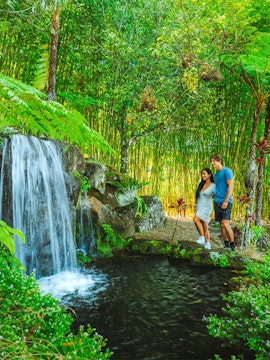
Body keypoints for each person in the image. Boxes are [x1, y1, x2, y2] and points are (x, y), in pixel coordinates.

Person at [210, 154, 235, 250]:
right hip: (217, 201)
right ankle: (226, 245)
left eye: (213, 161)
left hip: (225, 201)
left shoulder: (227, 171)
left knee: (225, 224)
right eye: (211, 161)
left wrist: (226, 201)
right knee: (221, 225)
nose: (212, 163)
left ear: (219, 160)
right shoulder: (216, 174)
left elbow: (230, 186)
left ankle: (233, 247)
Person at [193, 168, 216, 250]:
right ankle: (208, 244)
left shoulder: (213, 186)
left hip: (207, 207)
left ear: (209, 175)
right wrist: (195, 206)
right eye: (202, 174)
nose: (203, 175)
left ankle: (202, 238)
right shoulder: (201, 184)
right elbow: (196, 195)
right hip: (200, 206)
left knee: (196, 219)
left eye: (204, 173)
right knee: (205, 225)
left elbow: (217, 196)